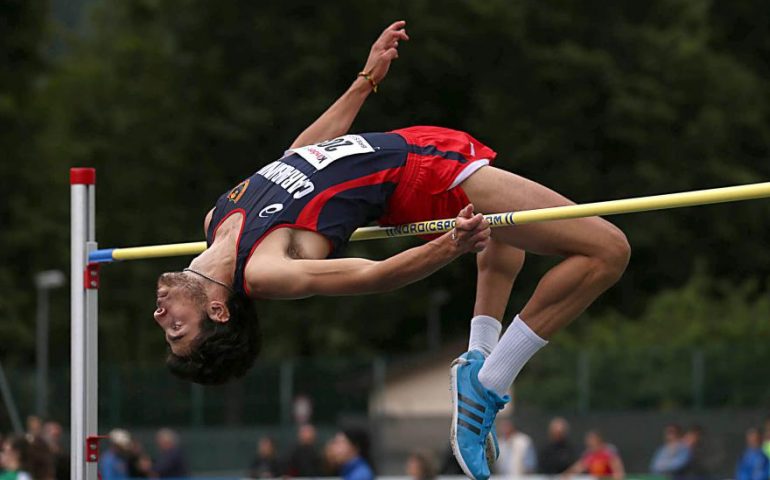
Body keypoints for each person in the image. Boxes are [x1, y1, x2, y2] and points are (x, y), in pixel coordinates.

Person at [151, 19, 630, 480]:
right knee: (607, 251)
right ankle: (491, 382)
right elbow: (369, 276)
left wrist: (365, 80)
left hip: (412, 149)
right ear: (218, 311)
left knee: (507, 245)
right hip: (420, 176)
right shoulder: (266, 272)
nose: (161, 318)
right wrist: (450, 245)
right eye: (178, 330)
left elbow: (297, 157)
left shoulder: (216, 220)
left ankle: (478, 361)